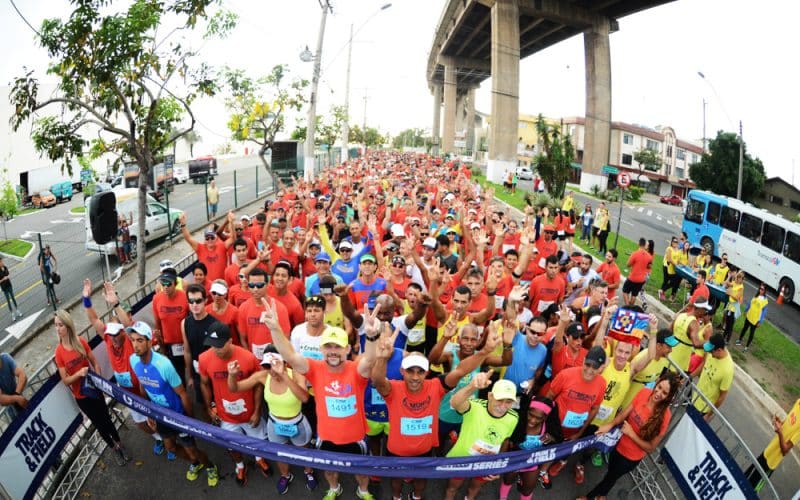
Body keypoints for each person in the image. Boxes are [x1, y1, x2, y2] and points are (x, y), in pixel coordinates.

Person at [263, 296, 380, 500]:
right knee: (328, 470)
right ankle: (334, 488)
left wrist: (371, 336)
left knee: (361, 471)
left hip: (356, 437)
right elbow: (290, 356)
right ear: (322, 349)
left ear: (346, 349)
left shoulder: (356, 371)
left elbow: (370, 359)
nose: (333, 352)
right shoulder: (315, 369)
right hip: (326, 436)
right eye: (328, 347)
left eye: (337, 347)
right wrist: (275, 328)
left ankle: (363, 491)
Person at [371, 331, 501, 500]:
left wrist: (484, 352)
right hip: (397, 450)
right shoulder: (393, 389)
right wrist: (381, 358)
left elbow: (460, 370)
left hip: (424, 450)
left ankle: (416, 497)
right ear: (402, 371)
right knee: (396, 479)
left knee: (421, 479)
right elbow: (378, 381)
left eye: (420, 372)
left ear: (426, 373)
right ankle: (397, 497)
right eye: (411, 371)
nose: (415, 377)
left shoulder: (436, 386)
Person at [127, 321, 219, 486]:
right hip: (160, 416)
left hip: (178, 415)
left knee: (192, 449)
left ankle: (210, 466)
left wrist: (190, 421)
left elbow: (183, 394)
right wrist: (149, 413)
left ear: (149, 342)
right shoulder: (133, 360)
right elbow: (143, 386)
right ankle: (195, 464)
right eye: (133, 340)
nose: (135, 344)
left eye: (140, 340)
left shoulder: (164, 365)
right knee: (171, 448)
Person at [227, 344, 319, 492]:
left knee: (303, 451)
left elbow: (304, 398)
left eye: (276, 364)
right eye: (267, 366)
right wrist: (231, 375)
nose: (272, 370)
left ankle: (308, 472)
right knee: (279, 453)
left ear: (284, 362)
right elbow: (235, 388)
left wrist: (283, 375)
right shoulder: (263, 376)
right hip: (275, 424)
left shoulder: (295, 374)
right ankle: (285, 475)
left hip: (297, 423)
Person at [579, 371, 681, 499]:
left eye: (665, 393)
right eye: (659, 387)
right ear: (657, 382)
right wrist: (610, 425)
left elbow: (650, 447)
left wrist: (631, 434)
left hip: (630, 458)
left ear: (669, 397)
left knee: (610, 477)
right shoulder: (644, 393)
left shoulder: (665, 417)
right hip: (618, 444)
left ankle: (589, 497)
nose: (659, 393)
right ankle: (602, 496)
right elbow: (623, 415)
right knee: (611, 474)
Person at [198, 321, 272, 488]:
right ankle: (240, 466)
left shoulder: (248, 357)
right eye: (211, 345)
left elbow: (258, 385)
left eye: (219, 345)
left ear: (230, 341)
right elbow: (204, 383)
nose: (215, 349)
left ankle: (259, 459)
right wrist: (210, 406)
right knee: (230, 445)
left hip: (249, 413)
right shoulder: (204, 358)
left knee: (258, 441)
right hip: (226, 416)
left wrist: (257, 410)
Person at [54, 309, 129, 465]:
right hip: (82, 397)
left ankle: (120, 444)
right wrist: (79, 374)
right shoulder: (59, 352)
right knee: (99, 424)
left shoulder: (80, 341)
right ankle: (114, 449)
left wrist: (99, 379)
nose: (58, 329)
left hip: (94, 390)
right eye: (56, 325)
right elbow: (66, 380)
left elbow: (94, 362)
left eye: (60, 325)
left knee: (106, 418)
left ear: (68, 325)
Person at [444, 372, 519, 500]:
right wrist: (472, 386)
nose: (502, 406)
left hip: (486, 462)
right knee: (452, 488)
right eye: (499, 400)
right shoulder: (475, 406)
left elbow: (504, 440)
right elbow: (455, 403)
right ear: (490, 396)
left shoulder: (513, 418)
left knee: (475, 488)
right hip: (462, 459)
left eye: (508, 402)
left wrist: (498, 463)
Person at [500, 396, 561, 500]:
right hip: (515, 459)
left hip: (533, 463)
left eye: (539, 418)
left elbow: (558, 444)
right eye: (531, 415)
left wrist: (553, 439)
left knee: (527, 490)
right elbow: (506, 440)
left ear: (545, 418)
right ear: (527, 410)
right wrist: (501, 461)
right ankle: (503, 497)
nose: (533, 420)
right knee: (507, 481)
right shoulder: (517, 421)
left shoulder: (549, 429)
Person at [745, 398, 800, 491]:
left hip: (771, 463)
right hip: (767, 452)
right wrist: (779, 423)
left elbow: (785, 450)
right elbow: (786, 425)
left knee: (750, 490)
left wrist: (780, 432)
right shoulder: (798, 402)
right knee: (744, 478)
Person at [152, 267, 189, 382]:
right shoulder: (157, 299)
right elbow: (158, 322)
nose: (166, 287)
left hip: (185, 342)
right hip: (169, 344)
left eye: (169, 284)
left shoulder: (185, 297)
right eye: (163, 284)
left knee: (188, 371)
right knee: (176, 375)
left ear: (175, 283)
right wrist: (161, 344)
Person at [691, 333, 733, 420]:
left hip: (704, 409)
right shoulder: (711, 353)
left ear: (719, 350)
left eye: (711, 351)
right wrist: (690, 377)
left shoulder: (728, 370)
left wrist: (708, 415)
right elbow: (703, 364)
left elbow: (722, 396)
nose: (709, 353)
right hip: (694, 399)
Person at [737, 283, 769, 352]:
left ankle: (746, 347)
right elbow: (750, 303)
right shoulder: (756, 296)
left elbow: (763, 313)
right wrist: (746, 310)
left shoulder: (765, 301)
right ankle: (739, 340)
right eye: (760, 288)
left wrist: (760, 321)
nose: (760, 290)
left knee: (751, 333)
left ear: (765, 291)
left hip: (755, 319)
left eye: (762, 289)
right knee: (744, 328)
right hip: (749, 315)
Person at [623, 238, 653, 306]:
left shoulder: (635, 254)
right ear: (645, 245)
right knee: (634, 295)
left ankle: (628, 307)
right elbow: (649, 266)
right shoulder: (649, 256)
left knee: (625, 291)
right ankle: (631, 307)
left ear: (639, 244)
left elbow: (628, 265)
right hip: (641, 279)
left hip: (632, 278)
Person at [0, 351, 28, 417]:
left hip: (19, 396)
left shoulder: (5, 357)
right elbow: (1, 399)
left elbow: (22, 375)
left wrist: (17, 395)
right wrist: (16, 398)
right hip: (10, 407)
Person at [722, 271, 745, 343]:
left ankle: (727, 340)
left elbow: (737, 298)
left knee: (730, 325)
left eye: (741, 278)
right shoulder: (734, 283)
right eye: (738, 277)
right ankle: (723, 337)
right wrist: (729, 276)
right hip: (730, 306)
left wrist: (730, 292)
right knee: (727, 322)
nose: (739, 279)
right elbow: (726, 283)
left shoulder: (741, 287)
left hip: (734, 308)